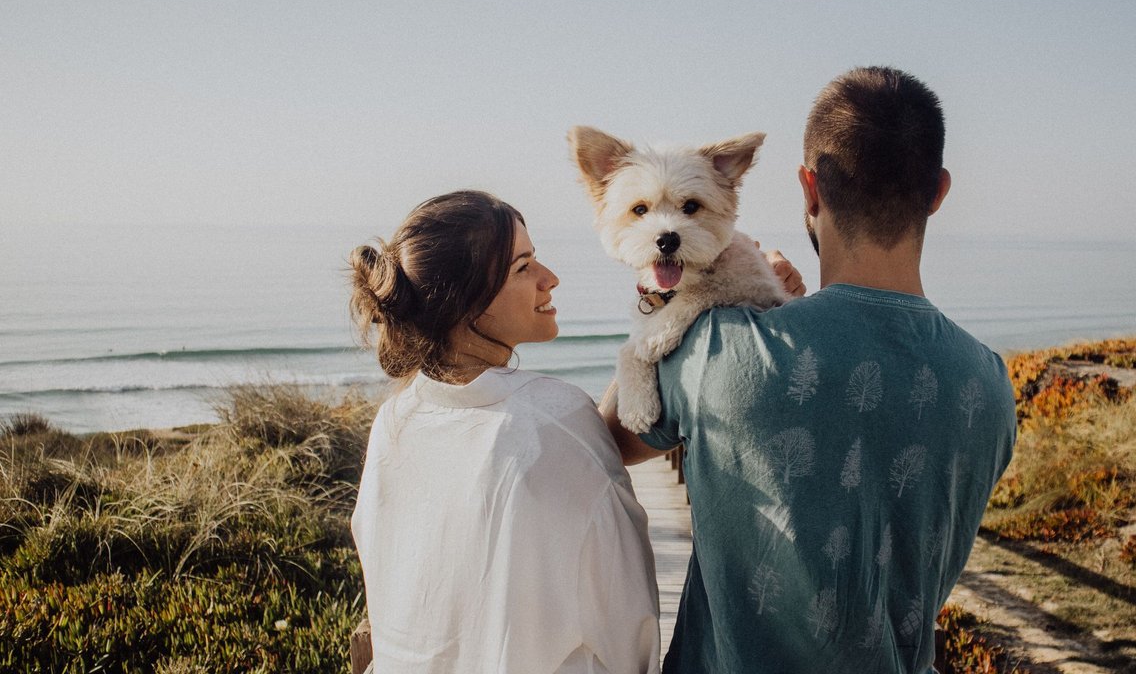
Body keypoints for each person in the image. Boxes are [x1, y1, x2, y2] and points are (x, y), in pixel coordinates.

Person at [606, 67, 1017, 672]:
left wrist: (677, 294)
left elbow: (605, 438)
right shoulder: (989, 384)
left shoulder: (722, 346)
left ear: (809, 189)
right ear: (937, 191)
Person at [349, 190, 660, 674]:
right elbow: (629, 621)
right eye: (523, 267)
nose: (549, 279)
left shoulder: (394, 423)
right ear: (466, 303)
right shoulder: (555, 417)